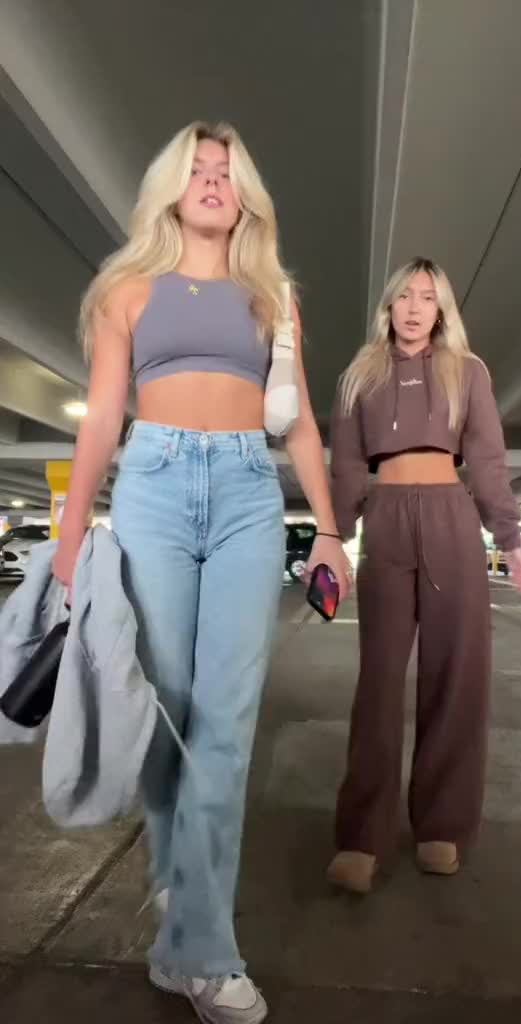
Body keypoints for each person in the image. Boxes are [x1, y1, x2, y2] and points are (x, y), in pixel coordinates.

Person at [53, 121, 351, 1023]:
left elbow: (299, 423)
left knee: (226, 722)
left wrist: (329, 532)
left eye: (227, 171)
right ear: (173, 190)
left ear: (245, 192)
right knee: (167, 711)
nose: (214, 181)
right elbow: (103, 416)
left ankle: (203, 949)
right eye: (199, 170)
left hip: (249, 495)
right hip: (153, 485)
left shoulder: (272, 298)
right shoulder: (127, 289)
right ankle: (183, 902)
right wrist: (70, 535)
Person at [326, 257, 521, 895]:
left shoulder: (466, 372)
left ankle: (441, 824)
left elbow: (489, 461)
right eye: (404, 297)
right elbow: (346, 465)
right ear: (388, 306)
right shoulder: (360, 374)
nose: (414, 308)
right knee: (380, 681)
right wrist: (332, 538)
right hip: (386, 520)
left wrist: (511, 539)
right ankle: (363, 834)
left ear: (441, 309)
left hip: (451, 518)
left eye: (427, 297)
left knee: (456, 675)